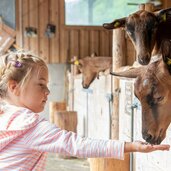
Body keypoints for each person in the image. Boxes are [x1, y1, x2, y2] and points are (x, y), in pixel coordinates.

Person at [0, 51, 169, 171]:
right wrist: (131, 146)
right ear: (14, 87)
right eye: (41, 84)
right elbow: (78, 145)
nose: (48, 91)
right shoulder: (31, 126)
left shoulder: (4, 116)